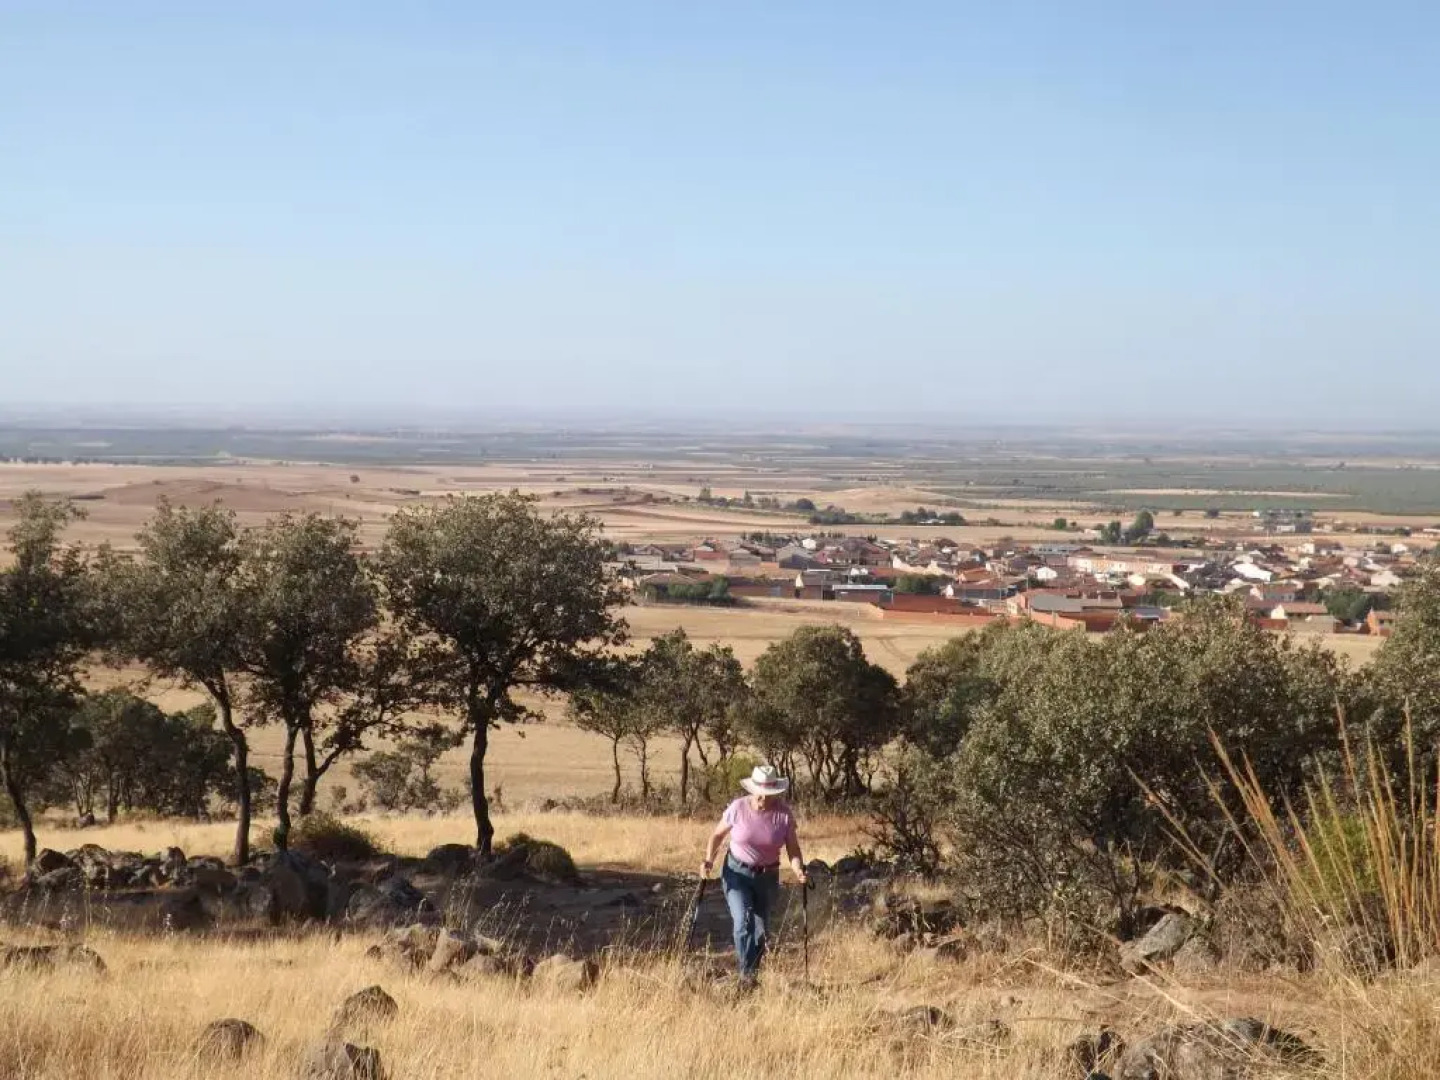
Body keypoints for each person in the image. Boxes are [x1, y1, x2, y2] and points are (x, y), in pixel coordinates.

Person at [701, 764, 807, 984]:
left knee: (760, 932)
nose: (763, 798)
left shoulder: (783, 815)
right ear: (752, 790)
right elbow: (717, 836)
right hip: (736, 873)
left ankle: (752, 976)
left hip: (767, 877)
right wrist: (709, 860)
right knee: (743, 922)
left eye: (768, 794)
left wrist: (798, 870)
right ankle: (745, 976)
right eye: (760, 793)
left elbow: (793, 849)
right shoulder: (738, 808)